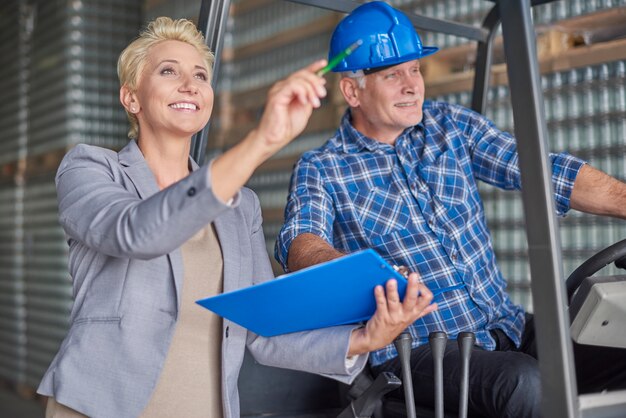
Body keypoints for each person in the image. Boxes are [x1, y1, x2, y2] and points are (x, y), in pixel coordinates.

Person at [36, 16, 437, 418]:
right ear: (132, 99)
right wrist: (263, 140)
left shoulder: (240, 205)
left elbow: (263, 330)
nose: (190, 84)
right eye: (168, 71)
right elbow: (135, 232)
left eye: (200, 74)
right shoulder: (90, 168)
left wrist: (364, 339)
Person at [275, 2, 626, 417]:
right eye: (392, 75)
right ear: (353, 90)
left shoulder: (451, 127)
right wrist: (365, 274)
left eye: (415, 70)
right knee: (524, 384)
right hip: (417, 349)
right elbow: (301, 244)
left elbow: (543, 170)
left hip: (507, 327)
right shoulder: (323, 168)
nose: (411, 86)